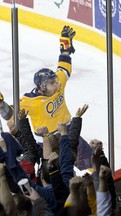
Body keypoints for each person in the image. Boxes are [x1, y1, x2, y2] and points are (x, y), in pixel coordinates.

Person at [0, 25, 92, 170]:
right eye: (51, 83)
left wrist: (65, 48)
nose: (56, 84)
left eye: (55, 80)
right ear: (42, 87)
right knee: (57, 172)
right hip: (46, 141)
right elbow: (11, 114)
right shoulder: (30, 101)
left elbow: (63, 67)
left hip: (67, 132)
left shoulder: (58, 84)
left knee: (90, 161)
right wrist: (1, 104)